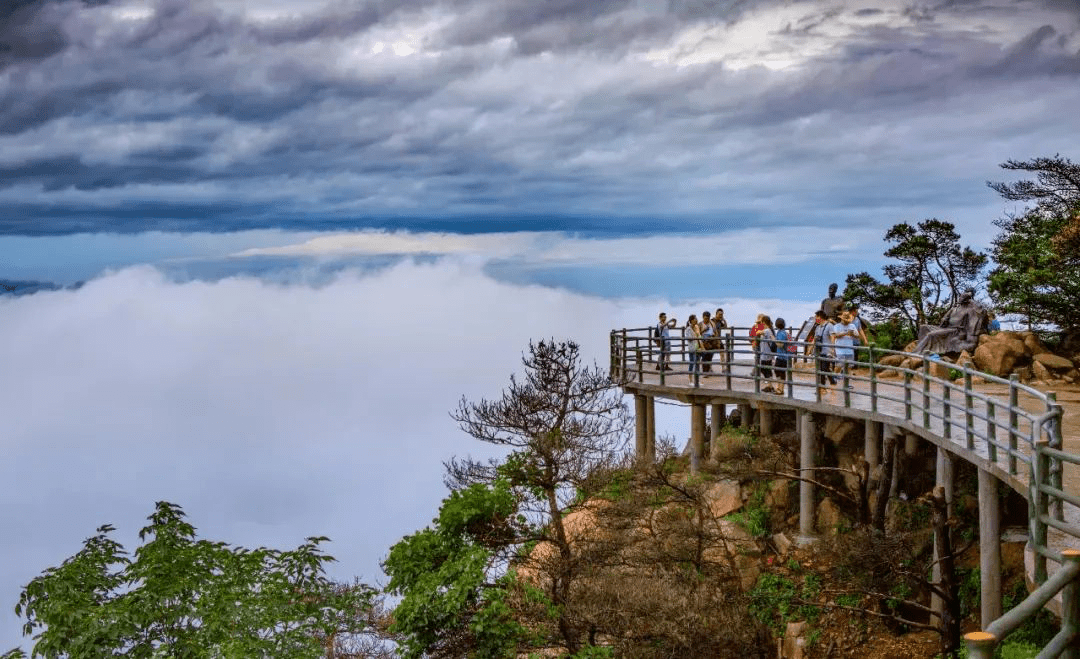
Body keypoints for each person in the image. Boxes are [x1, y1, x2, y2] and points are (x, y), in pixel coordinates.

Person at [914, 289, 988, 354]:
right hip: (946, 328)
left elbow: (981, 310)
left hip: (955, 331)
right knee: (923, 327)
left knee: (931, 334)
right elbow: (945, 319)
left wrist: (971, 299)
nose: (961, 297)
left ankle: (918, 352)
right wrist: (944, 319)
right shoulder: (954, 308)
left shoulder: (969, 309)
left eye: (964, 296)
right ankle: (921, 346)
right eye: (961, 296)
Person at [830, 309, 860, 387]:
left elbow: (857, 335)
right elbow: (835, 335)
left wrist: (852, 334)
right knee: (838, 366)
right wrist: (846, 333)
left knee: (849, 367)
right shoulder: (836, 326)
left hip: (850, 349)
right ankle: (833, 381)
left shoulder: (852, 326)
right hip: (840, 349)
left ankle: (846, 384)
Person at [813, 310, 837, 394]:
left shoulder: (829, 326)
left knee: (823, 369)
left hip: (827, 351)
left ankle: (823, 388)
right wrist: (810, 349)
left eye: (816, 317)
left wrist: (832, 349)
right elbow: (815, 339)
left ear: (820, 317)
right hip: (819, 351)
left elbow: (832, 337)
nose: (815, 319)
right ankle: (832, 381)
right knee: (822, 369)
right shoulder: (817, 327)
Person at [756, 315, 777, 393]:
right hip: (766, 354)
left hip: (766, 354)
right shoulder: (769, 330)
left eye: (761, 322)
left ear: (764, 322)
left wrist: (757, 326)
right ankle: (769, 386)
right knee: (766, 370)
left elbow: (758, 332)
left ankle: (770, 386)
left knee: (764, 369)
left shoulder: (767, 330)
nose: (761, 324)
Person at [773, 317, 793, 395]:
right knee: (780, 372)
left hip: (782, 356)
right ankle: (780, 388)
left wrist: (773, 339)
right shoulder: (784, 332)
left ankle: (780, 388)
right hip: (784, 356)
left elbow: (780, 344)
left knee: (779, 372)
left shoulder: (780, 333)